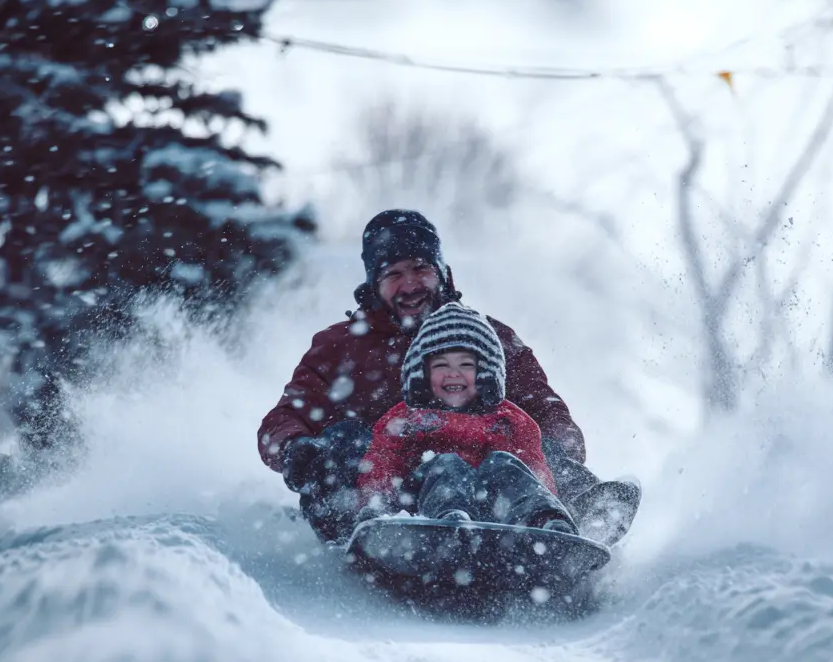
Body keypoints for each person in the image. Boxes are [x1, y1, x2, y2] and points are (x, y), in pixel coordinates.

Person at [257, 209, 600, 542]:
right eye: (393, 274)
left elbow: (546, 407)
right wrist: (295, 449)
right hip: (383, 487)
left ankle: (577, 518)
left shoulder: (484, 338)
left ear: (441, 272)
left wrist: (561, 448)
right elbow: (285, 418)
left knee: (534, 444)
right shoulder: (339, 346)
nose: (409, 284)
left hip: (485, 488)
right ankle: (371, 532)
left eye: (420, 268)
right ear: (374, 284)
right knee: (343, 440)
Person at [355, 302, 577, 534]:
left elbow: (534, 470)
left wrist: (545, 496)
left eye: (465, 364)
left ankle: (546, 522)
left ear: (484, 372)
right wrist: (376, 505)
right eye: (441, 365)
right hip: (421, 511)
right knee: (445, 464)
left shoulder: (509, 420)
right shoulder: (406, 419)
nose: (453, 373)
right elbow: (382, 465)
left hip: (496, 513)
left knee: (506, 464)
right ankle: (450, 520)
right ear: (424, 373)